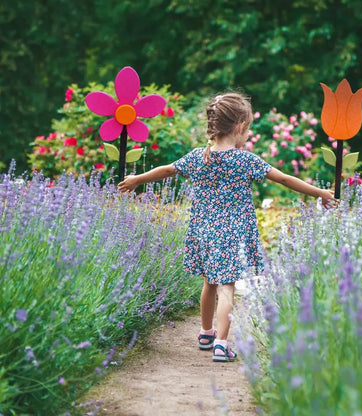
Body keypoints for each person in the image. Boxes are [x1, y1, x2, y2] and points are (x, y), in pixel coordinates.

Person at [118, 92, 335, 362]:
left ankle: (206, 333)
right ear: (241, 127)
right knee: (226, 288)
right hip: (232, 234)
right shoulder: (246, 161)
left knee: (209, 283)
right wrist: (320, 194)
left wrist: (137, 179)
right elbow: (286, 179)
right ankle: (221, 344)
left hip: (203, 232)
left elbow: (166, 170)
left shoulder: (198, 157)